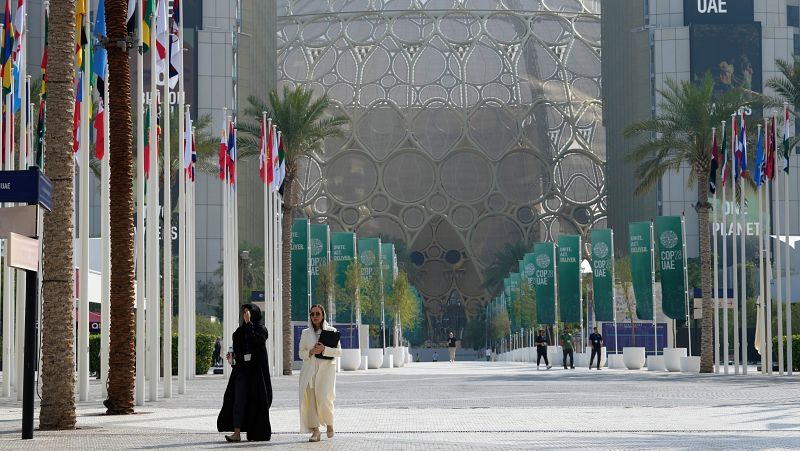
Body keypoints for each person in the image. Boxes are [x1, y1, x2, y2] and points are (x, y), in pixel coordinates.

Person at [217, 304, 272, 442]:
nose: (246, 315)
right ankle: (236, 432)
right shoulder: (238, 333)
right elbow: (237, 351)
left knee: (257, 401)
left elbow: (255, 340)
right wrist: (232, 359)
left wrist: (249, 324)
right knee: (238, 400)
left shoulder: (262, 330)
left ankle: (256, 432)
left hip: (257, 372)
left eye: (249, 312)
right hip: (242, 371)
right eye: (244, 313)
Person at [299, 304, 342, 442]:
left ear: (323, 315)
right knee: (310, 402)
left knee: (324, 398)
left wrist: (324, 349)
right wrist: (311, 352)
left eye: (317, 313)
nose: (315, 317)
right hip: (309, 373)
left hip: (326, 372)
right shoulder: (305, 333)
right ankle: (315, 431)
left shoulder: (332, 331)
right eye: (312, 314)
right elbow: (301, 353)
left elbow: (339, 352)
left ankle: (329, 423)